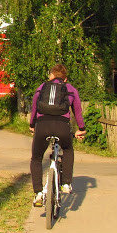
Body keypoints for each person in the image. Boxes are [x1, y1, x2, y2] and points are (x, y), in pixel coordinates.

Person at [29, 64, 86, 207]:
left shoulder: (42, 87)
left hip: (42, 126)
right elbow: (77, 111)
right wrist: (81, 129)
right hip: (62, 127)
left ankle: (38, 193)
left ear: (51, 76)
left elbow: (34, 107)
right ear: (65, 79)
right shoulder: (71, 89)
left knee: (36, 158)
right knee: (67, 150)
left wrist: (32, 125)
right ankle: (66, 183)